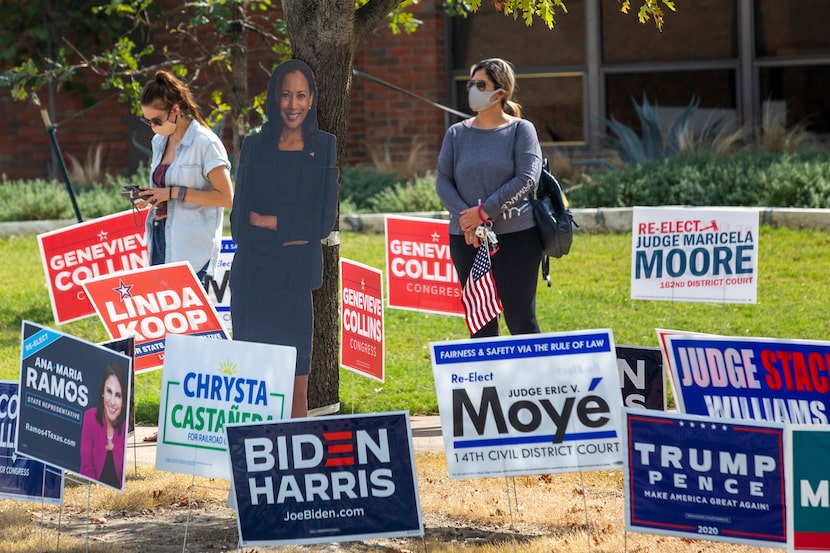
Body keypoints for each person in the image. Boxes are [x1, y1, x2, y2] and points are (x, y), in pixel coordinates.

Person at [229, 59, 339, 418]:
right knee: (253, 386)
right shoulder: (254, 147)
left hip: (294, 282)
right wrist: (291, 232)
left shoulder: (324, 147)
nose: (294, 104)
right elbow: (239, 224)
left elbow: (321, 223)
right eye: (286, 95)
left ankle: (295, 460)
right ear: (274, 97)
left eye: (301, 95)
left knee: (295, 389)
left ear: (312, 99)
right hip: (253, 279)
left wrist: (269, 221)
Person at [136, 71, 233, 442]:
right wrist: (151, 196)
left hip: (193, 249)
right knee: (169, 332)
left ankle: (206, 419)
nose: (152, 126)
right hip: (163, 239)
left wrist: (173, 193)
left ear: (175, 110)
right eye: (147, 120)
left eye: (156, 119)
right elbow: (166, 191)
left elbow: (226, 198)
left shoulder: (206, 143)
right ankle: (172, 423)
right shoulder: (163, 142)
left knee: (194, 334)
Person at [436, 57, 543, 338]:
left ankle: (530, 382)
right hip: (466, 238)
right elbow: (443, 181)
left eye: (481, 84)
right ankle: (490, 383)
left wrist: (483, 214)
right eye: (471, 83)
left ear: (500, 92)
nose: (472, 89)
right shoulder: (456, 133)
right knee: (480, 324)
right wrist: (469, 221)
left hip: (517, 237)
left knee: (521, 320)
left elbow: (527, 178)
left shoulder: (521, 130)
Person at [79, 363, 127, 488]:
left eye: (118, 395)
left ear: (123, 400)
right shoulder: (90, 418)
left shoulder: (125, 424)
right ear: (102, 393)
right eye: (109, 392)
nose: (112, 401)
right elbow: (86, 468)